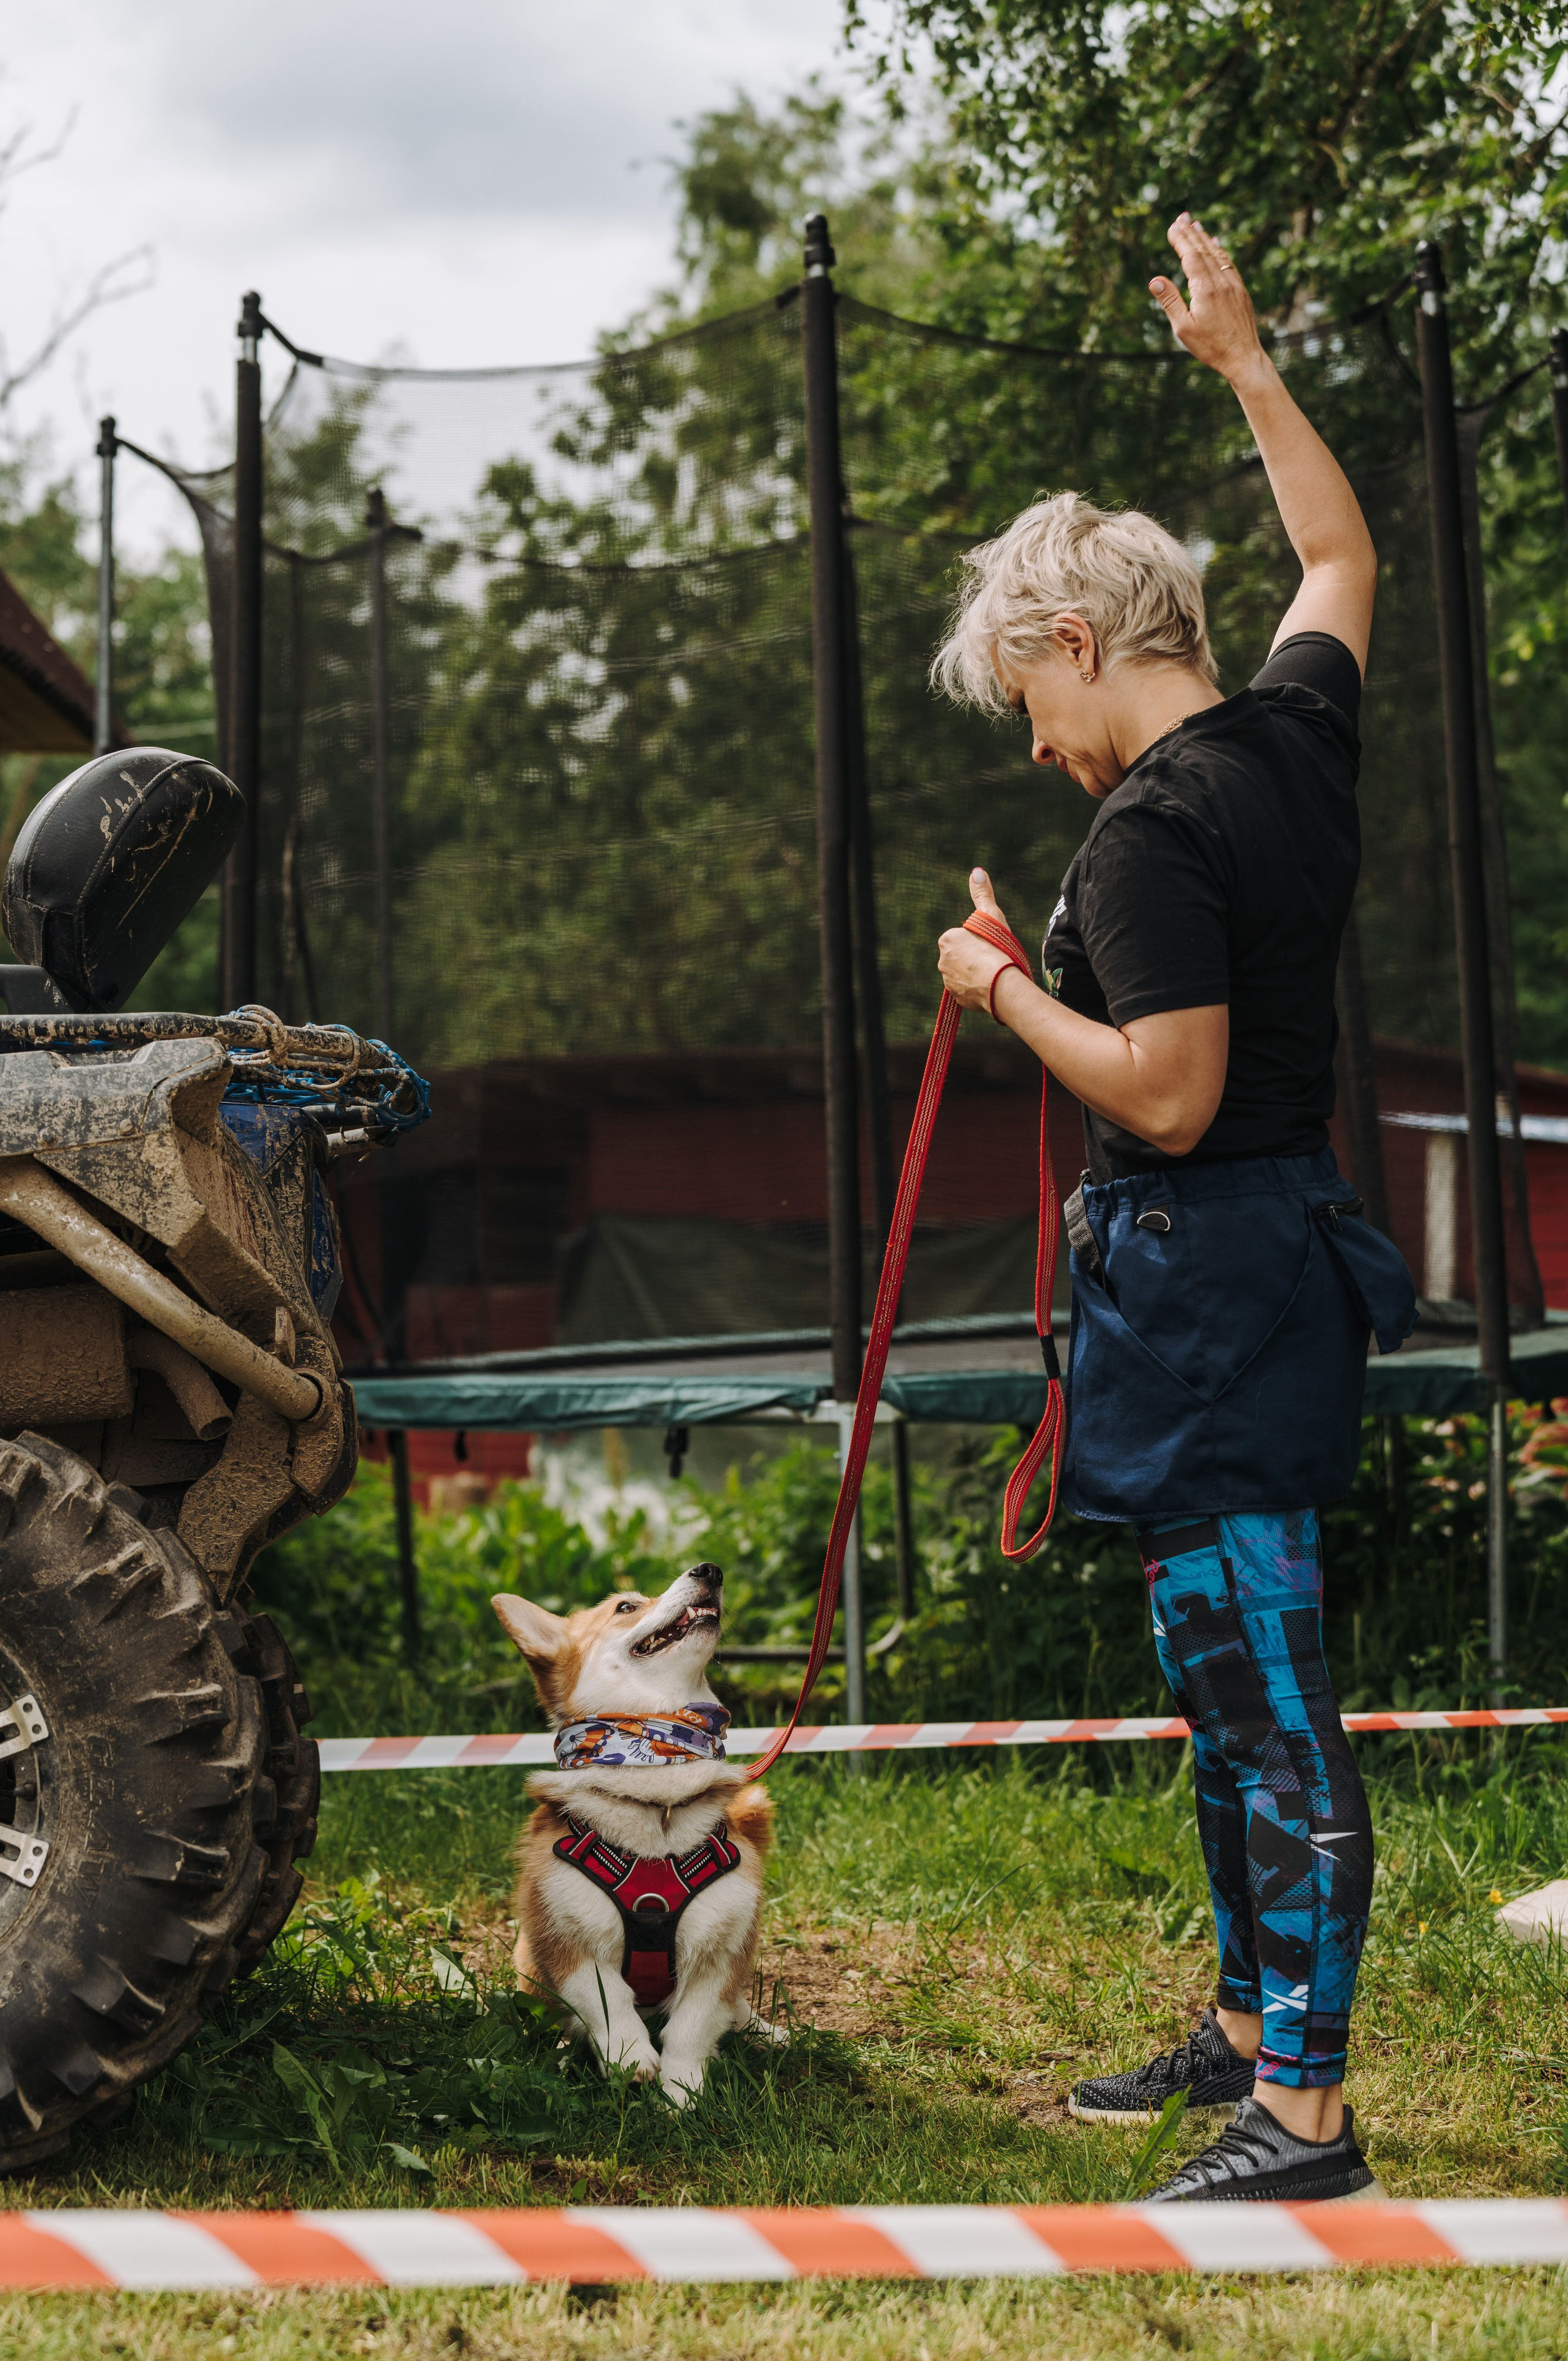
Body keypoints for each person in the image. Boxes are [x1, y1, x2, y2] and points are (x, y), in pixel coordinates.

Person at [933, 213, 1415, 2204]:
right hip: (1259, 1263)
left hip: (1208, 1272)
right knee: (1221, 1679)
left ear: (1074, 648)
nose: (1036, 749)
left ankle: (1303, 2116)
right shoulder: (1286, 737)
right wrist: (1243, 363)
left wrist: (997, 987)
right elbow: (1340, 558)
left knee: (1268, 1700)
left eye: (1025, 703)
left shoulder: (1149, 827)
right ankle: (1239, 2025)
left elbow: (1173, 1087)